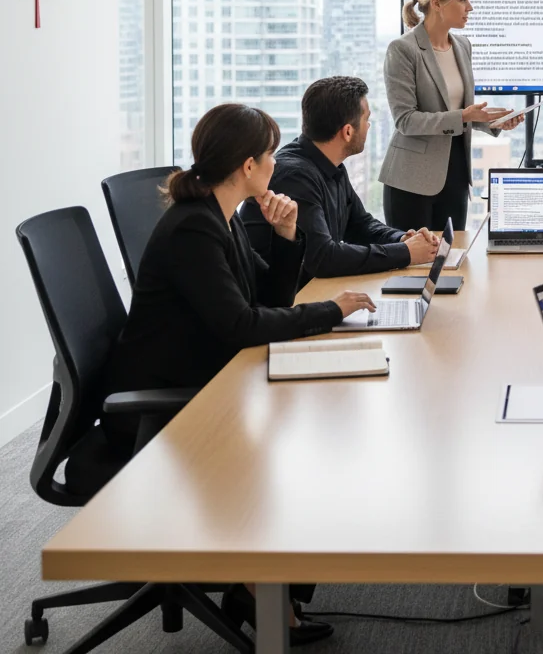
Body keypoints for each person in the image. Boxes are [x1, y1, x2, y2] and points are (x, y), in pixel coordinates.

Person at [102, 104, 376, 645]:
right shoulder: (193, 229)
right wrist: (332, 310)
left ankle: (266, 588)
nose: (278, 162)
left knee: (317, 427)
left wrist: (286, 236)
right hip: (167, 410)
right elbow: (243, 324)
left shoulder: (217, 215)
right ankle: (261, 592)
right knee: (307, 449)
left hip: (210, 378)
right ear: (249, 165)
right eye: (271, 154)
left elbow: (260, 303)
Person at [242, 76, 438, 288]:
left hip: (312, 295)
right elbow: (323, 257)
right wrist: (406, 253)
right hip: (281, 303)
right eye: (366, 119)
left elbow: (360, 224)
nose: (369, 126)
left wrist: (402, 240)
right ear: (347, 131)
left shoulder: (330, 164)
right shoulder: (295, 175)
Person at [380, 0, 524, 230]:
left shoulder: (462, 46)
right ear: (437, 3)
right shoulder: (402, 49)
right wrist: (464, 116)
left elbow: (460, 112)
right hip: (412, 179)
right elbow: (405, 120)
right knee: (414, 266)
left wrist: (492, 122)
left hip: (456, 174)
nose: (470, 7)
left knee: (452, 258)